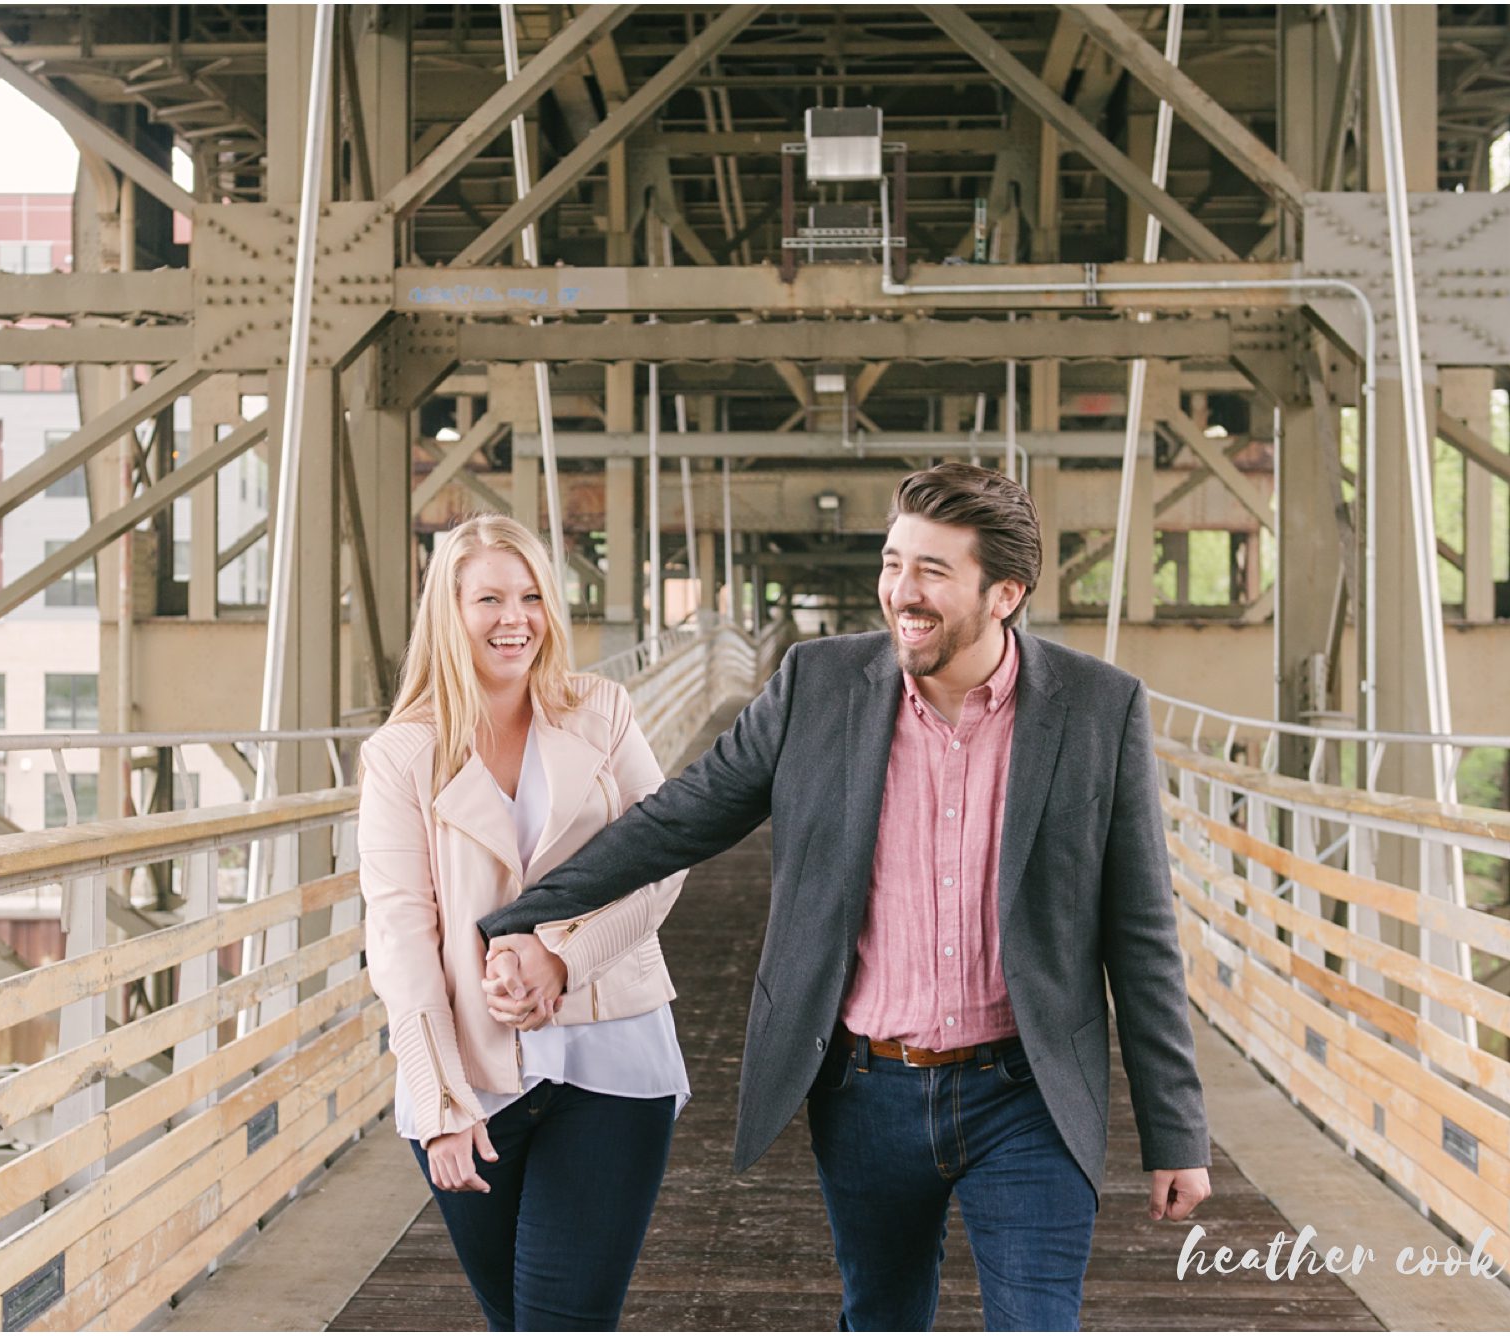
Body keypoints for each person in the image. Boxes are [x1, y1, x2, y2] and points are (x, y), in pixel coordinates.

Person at [479, 463, 1212, 1331]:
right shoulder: (815, 686)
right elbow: (679, 820)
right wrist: (522, 916)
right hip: (866, 1092)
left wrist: (1176, 1132)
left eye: (933, 571)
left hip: (1029, 1092)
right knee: (882, 1315)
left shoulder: (1099, 708)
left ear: (1005, 592)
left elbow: (1141, 931)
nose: (902, 590)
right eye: (893, 561)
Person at [357, 514, 689, 1332]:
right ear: (450, 610)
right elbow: (400, 936)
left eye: (534, 596)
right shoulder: (401, 755)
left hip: (611, 1059)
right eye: (491, 599)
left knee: (562, 1320)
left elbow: (667, 854)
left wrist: (563, 959)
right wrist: (436, 1101)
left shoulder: (601, 712)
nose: (517, 618)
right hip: (471, 1076)